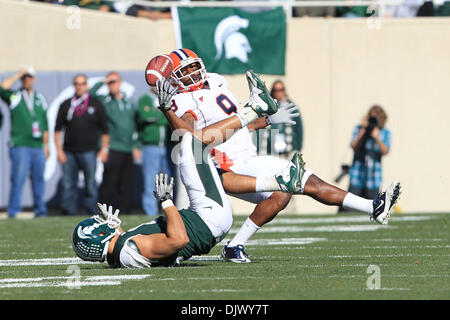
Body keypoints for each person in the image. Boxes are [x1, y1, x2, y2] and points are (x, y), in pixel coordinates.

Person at [71, 90, 401, 268]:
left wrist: (258, 123)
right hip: (208, 212)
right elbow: (176, 241)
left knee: (297, 183)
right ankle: (252, 108)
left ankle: (372, 207)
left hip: (211, 211)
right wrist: (168, 201)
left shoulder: (124, 249)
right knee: (190, 142)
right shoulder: (127, 250)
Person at [155, 49, 402, 263]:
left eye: (194, 66)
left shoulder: (217, 81)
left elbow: (233, 125)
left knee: (305, 181)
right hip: (227, 166)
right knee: (284, 188)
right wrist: (167, 110)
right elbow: (188, 136)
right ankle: (233, 246)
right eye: (186, 71)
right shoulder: (180, 100)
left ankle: (373, 207)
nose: (194, 73)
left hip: (249, 157)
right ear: (176, 79)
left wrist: (265, 121)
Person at [54, 74, 109, 216]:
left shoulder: (96, 103)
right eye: (77, 84)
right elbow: (58, 129)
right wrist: (59, 150)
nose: (80, 86)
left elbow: (105, 130)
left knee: (91, 184)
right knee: (68, 185)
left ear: (87, 86)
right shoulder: (66, 104)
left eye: (82, 83)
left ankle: (92, 213)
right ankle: (68, 212)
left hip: (89, 151)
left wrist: (104, 149)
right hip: (69, 152)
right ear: (74, 86)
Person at [0, 67, 49, 218]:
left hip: (37, 146)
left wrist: (46, 145)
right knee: (18, 179)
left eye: (29, 77)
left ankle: (40, 211)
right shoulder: (15, 96)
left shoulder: (39, 98)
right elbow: (2, 88)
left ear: (34, 79)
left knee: (39, 180)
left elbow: (44, 124)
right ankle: (13, 211)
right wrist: (17, 75)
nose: (27, 80)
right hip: (20, 145)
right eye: (25, 77)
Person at [89, 72, 140, 215]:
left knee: (126, 184)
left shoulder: (129, 102)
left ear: (120, 83)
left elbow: (136, 125)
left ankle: (125, 212)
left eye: (114, 81)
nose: (112, 85)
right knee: (109, 183)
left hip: (128, 148)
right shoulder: (105, 101)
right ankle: (104, 212)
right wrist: (103, 81)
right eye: (110, 82)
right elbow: (90, 95)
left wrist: (136, 145)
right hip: (113, 147)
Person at [136, 87, 172, 216]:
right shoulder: (144, 99)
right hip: (150, 146)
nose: (156, 86)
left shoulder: (170, 98)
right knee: (150, 181)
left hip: (168, 146)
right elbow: (146, 116)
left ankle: (170, 211)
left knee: (169, 182)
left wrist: (158, 115)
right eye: (154, 84)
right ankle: (150, 211)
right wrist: (165, 114)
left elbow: (172, 119)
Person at [347, 105, 391, 200]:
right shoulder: (359, 129)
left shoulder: (384, 132)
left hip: (374, 177)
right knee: (350, 207)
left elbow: (385, 151)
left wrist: (377, 138)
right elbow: (354, 147)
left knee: (372, 208)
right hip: (357, 175)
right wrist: (363, 130)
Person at [256, 80, 303, 158]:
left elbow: (299, 130)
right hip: (269, 152)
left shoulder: (291, 108)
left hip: (287, 151)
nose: (278, 93)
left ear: (284, 91)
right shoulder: (266, 108)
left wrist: (297, 150)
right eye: (275, 90)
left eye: (281, 90)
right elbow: (259, 129)